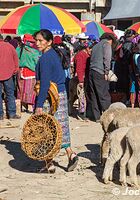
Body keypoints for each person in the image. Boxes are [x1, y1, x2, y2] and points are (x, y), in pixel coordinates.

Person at [34, 29, 78, 173]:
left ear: (49, 42)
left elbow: (45, 82)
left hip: (49, 97)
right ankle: (70, 153)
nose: (37, 43)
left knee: (46, 128)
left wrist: (39, 104)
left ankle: (49, 162)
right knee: (61, 126)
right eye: (37, 40)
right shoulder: (54, 54)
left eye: (40, 40)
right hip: (61, 94)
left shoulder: (45, 58)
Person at [88, 33, 116, 122]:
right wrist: (107, 71)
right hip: (100, 71)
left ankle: (97, 117)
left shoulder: (96, 46)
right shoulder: (106, 45)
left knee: (94, 95)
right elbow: (107, 59)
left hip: (92, 71)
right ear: (110, 40)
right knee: (104, 95)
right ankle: (108, 117)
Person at [16, 34, 40, 113]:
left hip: (20, 72)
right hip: (30, 73)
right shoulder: (34, 52)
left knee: (20, 89)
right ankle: (29, 107)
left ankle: (20, 106)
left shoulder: (18, 49)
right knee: (30, 90)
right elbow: (37, 62)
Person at [0, 34, 20, 120]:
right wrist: (15, 69)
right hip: (8, 74)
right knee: (10, 94)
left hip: (5, 73)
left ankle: (0, 115)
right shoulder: (9, 46)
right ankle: (12, 114)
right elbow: (16, 58)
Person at [73, 42, 92, 120]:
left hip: (85, 78)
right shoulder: (81, 55)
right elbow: (79, 68)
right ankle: (81, 114)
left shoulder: (84, 54)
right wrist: (80, 80)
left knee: (83, 96)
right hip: (82, 78)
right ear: (87, 48)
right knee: (82, 96)